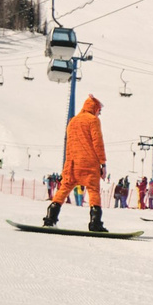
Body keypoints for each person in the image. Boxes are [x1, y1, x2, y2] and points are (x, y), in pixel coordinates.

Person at [43, 94, 109, 232]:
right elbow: (97, 143)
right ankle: (95, 223)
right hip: (89, 163)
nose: (99, 114)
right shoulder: (93, 121)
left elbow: (69, 144)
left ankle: (50, 218)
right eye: (99, 111)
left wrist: (67, 166)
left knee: (64, 189)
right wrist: (102, 163)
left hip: (72, 163)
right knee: (93, 191)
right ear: (95, 108)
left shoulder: (72, 121)